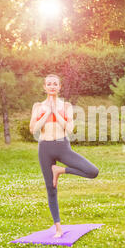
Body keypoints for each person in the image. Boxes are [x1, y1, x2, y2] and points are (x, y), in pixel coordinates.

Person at [29, 74, 99, 238]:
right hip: (45, 148)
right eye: (49, 84)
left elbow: (69, 129)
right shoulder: (38, 106)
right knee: (51, 189)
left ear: (59, 87)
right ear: (44, 87)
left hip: (62, 147)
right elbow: (33, 129)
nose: (52, 86)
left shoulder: (66, 106)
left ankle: (60, 170)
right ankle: (58, 228)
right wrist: (47, 113)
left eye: (55, 84)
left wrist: (56, 112)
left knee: (92, 171)